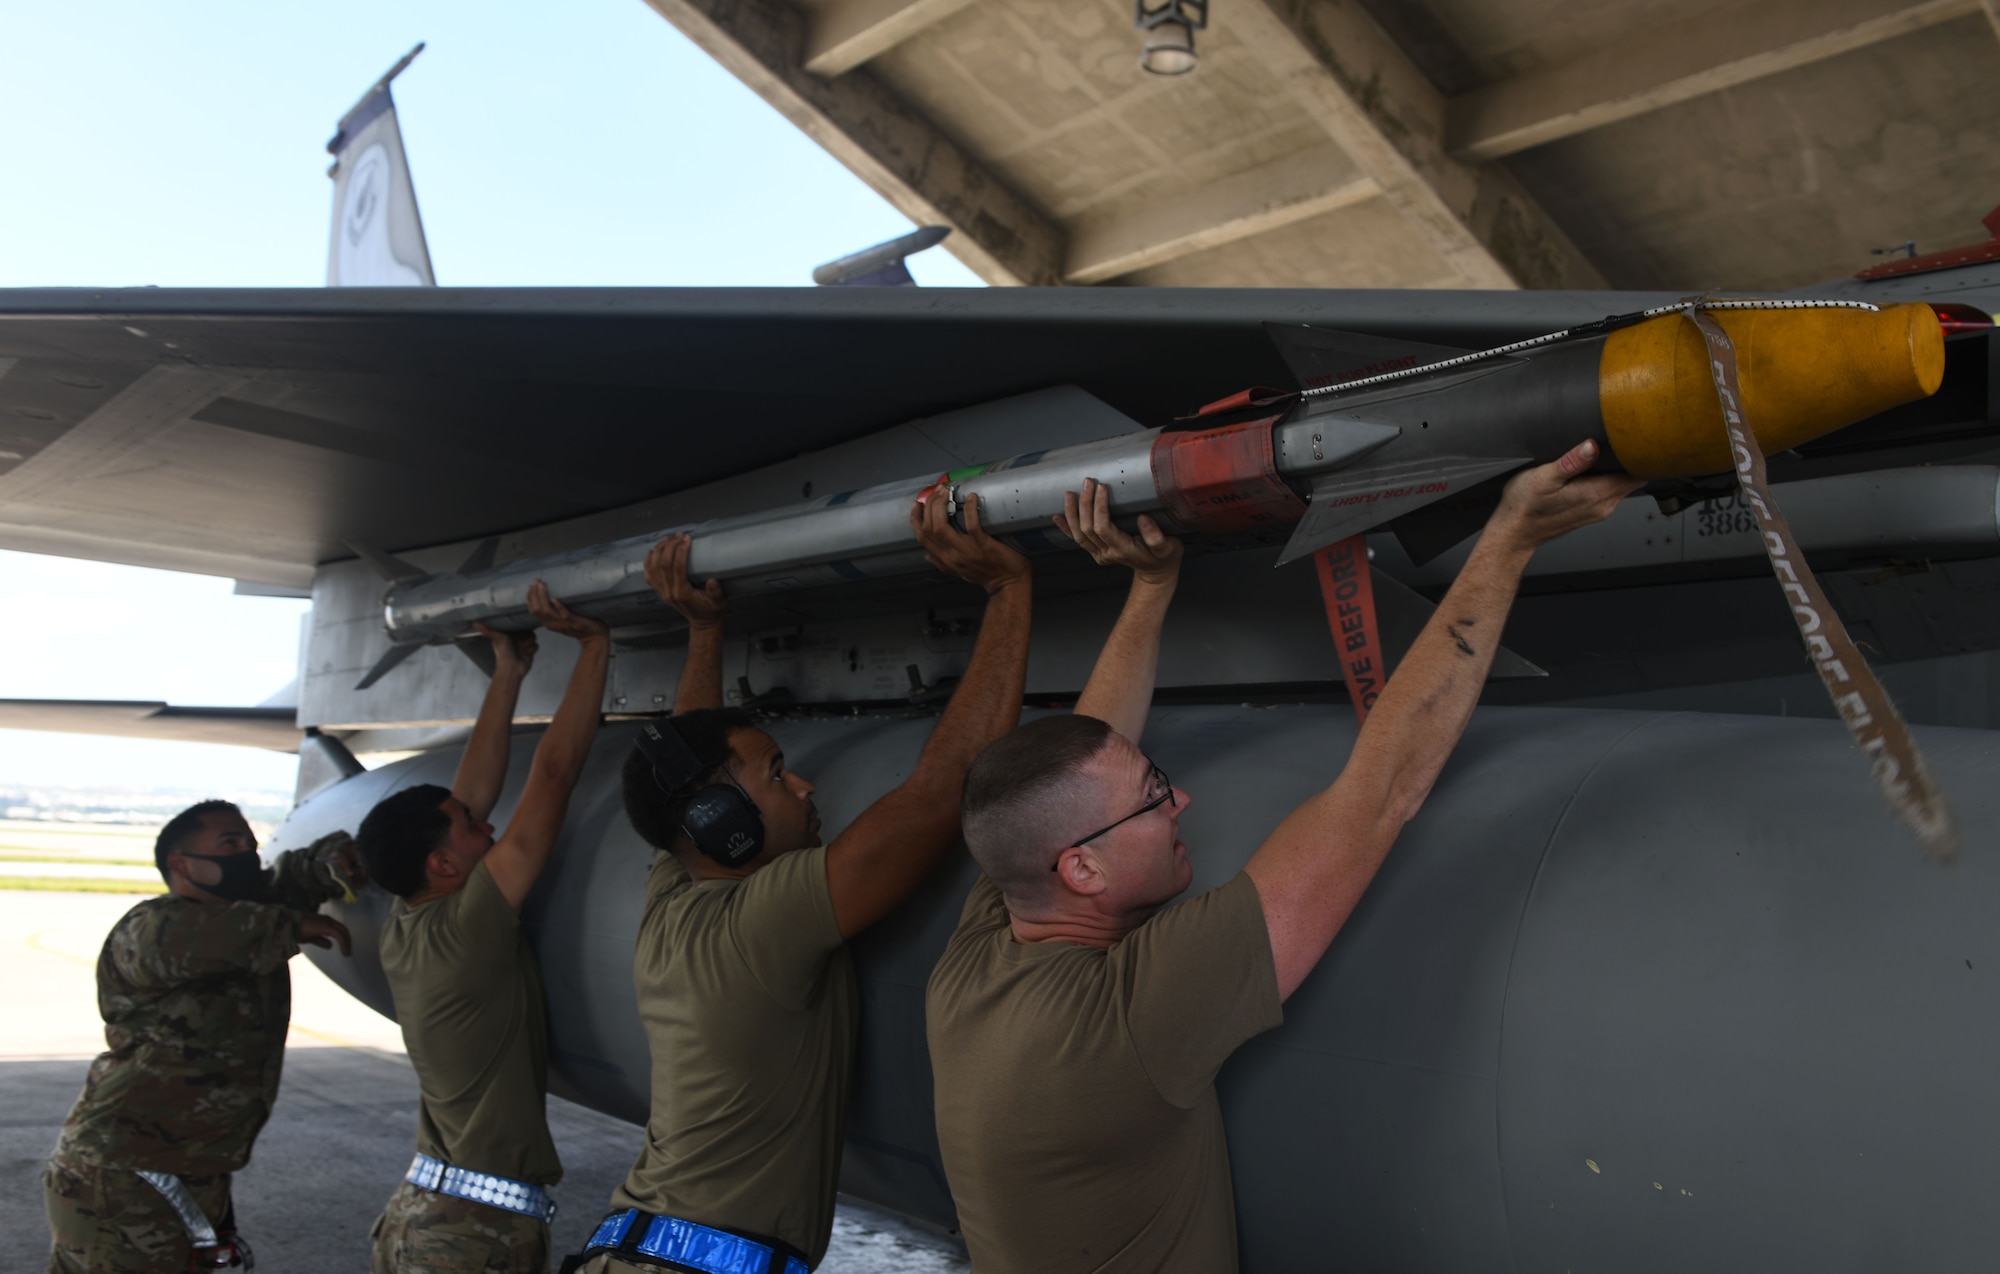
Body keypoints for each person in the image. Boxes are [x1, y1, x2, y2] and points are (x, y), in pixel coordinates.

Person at [927, 445, 1643, 1273]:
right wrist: (1508, 540)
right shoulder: (1123, 1021)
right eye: (1156, 797)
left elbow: (1074, 770)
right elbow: (1380, 793)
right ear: (1081, 871)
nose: (1180, 801)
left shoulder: (987, 938)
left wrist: (1152, 586)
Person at [567, 488, 1032, 1273]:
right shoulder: (760, 920)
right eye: (780, 775)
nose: (808, 788)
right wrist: (1008, 591)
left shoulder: (675, 886)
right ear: (722, 822)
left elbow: (683, 756)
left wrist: (704, 630)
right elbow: (939, 790)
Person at [360, 582, 610, 1274]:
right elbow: (553, 778)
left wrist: (510, 672)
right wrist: (593, 647)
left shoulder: (407, 915)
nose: (488, 824)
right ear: (442, 863)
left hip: (424, 1217)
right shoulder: (469, 928)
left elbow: (465, 797)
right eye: (474, 830)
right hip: (469, 1238)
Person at [42, 800, 364, 1272]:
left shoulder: (251, 914)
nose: (247, 856)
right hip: (123, 1169)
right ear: (180, 864)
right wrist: (293, 923)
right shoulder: (153, 927)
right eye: (229, 844)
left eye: (251, 845)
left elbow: (288, 881)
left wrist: (331, 863)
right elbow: (213, 935)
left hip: (183, 1165)